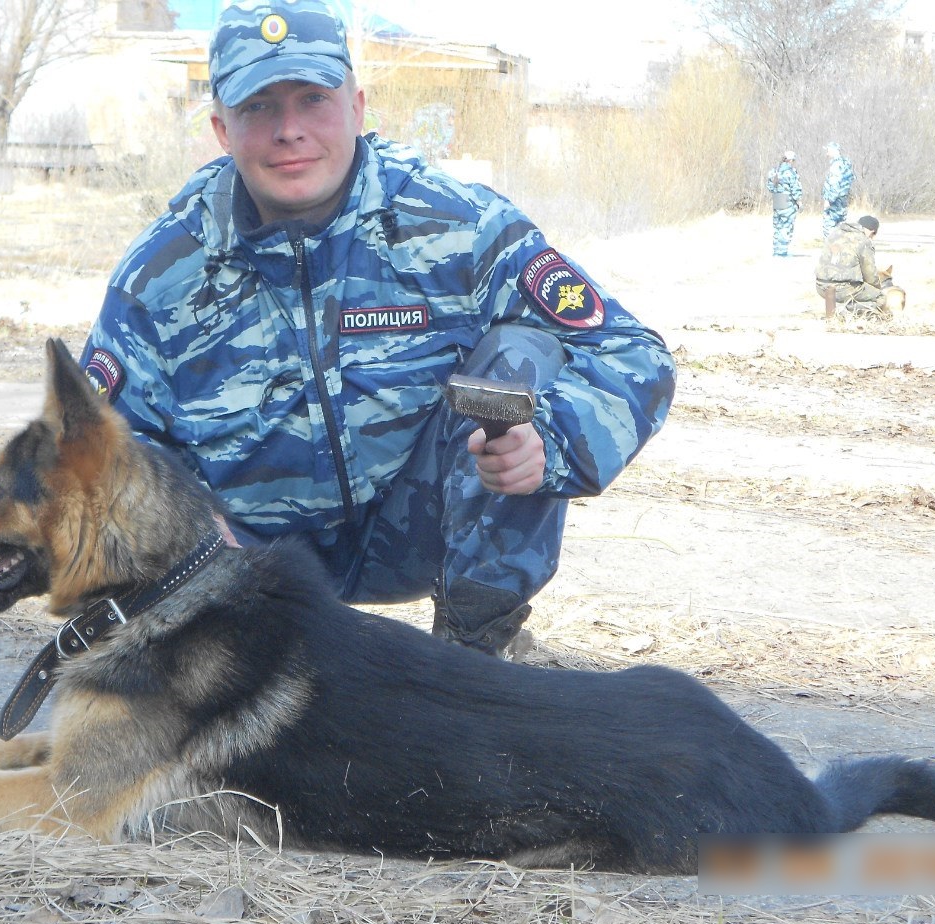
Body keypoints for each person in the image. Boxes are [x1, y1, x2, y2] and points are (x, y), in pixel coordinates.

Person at [78, 0, 676, 658]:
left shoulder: (453, 225)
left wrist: (552, 443)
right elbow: (90, 445)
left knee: (521, 354)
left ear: (358, 108)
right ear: (223, 129)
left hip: (415, 530)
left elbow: (634, 354)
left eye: (312, 99)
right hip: (248, 562)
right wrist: (184, 521)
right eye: (258, 107)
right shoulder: (163, 272)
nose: (289, 130)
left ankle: (475, 663)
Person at [815, 214, 885, 314]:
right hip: (842, 289)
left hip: (821, 287)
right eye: (873, 235)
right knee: (881, 297)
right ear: (872, 231)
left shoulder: (835, 233)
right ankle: (845, 310)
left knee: (841, 285)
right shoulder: (864, 241)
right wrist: (877, 289)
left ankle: (831, 310)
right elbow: (870, 276)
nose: (871, 238)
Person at [765, 150, 802, 257]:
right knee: (786, 226)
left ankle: (777, 251)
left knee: (778, 226)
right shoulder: (791, 172)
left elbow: (770, 187)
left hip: (778, 199)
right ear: (791, 160)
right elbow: (795, 189)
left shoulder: (775, 171)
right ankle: (782, 252)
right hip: (788, 201)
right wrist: (799, 202)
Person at [821, 141, 855, 238]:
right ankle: (838, 251)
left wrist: (829, 200)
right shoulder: (845, 163)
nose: (827, 153)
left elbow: (835, 184)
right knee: (840, 229)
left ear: (833, 150)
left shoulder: (836, 165)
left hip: (835, 202)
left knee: (829, 230)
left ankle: (830, 251)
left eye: (828, 150)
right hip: (843, 200)